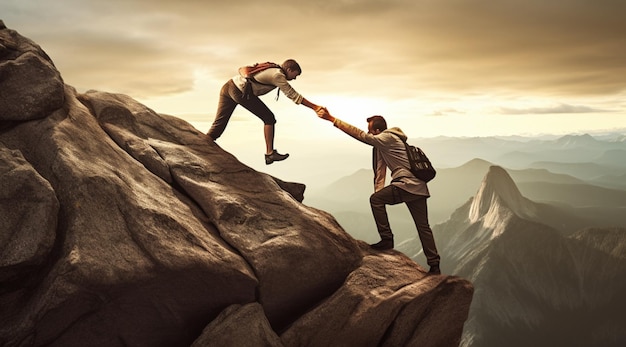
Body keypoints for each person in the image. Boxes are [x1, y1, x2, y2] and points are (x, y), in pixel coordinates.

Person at [317, 109, 441, 274]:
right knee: (423, 227)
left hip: (405, 185)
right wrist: (379, 191)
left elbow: (361, 135)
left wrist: (332, 119)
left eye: (371, 131)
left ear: (377, 131)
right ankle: (435, 265)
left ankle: (387, 239)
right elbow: (380, 171)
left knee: (375, 200)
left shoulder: (386, 138)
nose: (370, 133)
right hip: (418, 187)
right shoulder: (391, 142)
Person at [207, 59, 325, 165]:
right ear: (289, 69)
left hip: (228, 86)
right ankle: (270, 154)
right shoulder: (277, 75)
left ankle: (204, 143)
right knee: (269, 118)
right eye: (295, 75)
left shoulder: (273, 67)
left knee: (219, 123)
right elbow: (293, 95)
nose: (294, 78)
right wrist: (315, 107)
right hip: (239, 91)